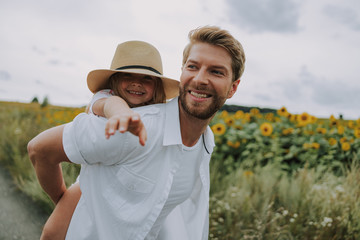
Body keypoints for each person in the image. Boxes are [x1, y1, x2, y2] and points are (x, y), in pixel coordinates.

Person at [28, 25, 246, 240]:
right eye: (192, 66)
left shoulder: (205, 141)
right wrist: (62, 199)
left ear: (233, 88)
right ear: (181, 72)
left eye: (216, 71)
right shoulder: (128, 128)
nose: (199, 79)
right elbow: (39, 150)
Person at [28, 40, 179, 239]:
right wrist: (120, 113)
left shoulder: (159, 115)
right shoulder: (106, 96)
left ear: (157, 86)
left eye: (146, 78)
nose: (137, 82)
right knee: (52, 233)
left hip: (136, 189)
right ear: (114, 80)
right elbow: (108, 104)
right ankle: (59, 197)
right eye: (128, 75)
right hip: (91, 183)